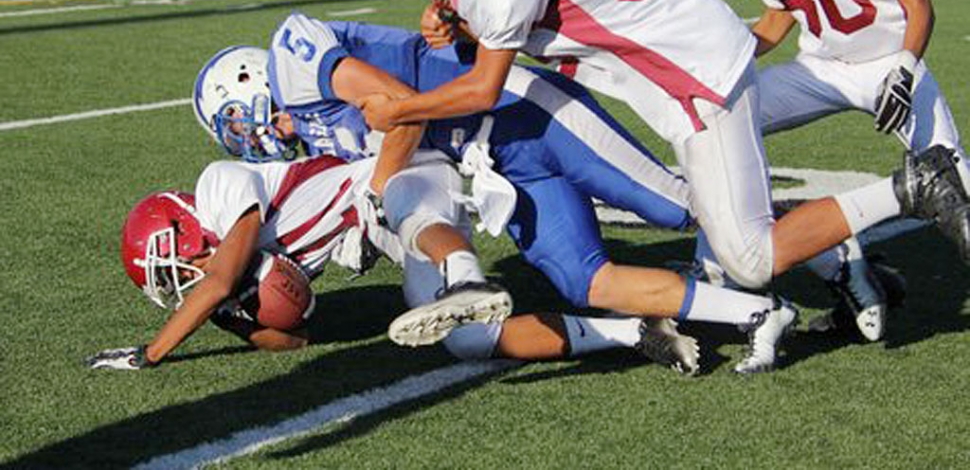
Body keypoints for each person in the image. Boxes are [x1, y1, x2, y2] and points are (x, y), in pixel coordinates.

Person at [359, 0, 969, 342]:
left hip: (694, 77)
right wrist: (455, 9)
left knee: (751, 258)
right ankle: (851, 265)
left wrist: (401, 112)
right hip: (697, 49)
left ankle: (910, 188)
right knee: (718, 212)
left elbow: (482, 89)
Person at [194, 18, 817, 375]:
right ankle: (757, 312)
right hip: (498, 163)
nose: (245, 138)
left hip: (531, 114)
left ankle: (838, 254)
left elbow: (404, 116)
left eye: (234, 121)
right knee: (584, 280)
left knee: (680, 206)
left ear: (246, 85)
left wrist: (379, 191)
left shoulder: (297, 62)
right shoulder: (313, 132)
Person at [86, 151, 701, 373]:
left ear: (183, 220)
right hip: (383, 231)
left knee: (431, 248)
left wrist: (151, 353)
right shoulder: (232, 274)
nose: (189, 277)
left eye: (179, 262)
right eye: (176, 280)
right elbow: (293, 341)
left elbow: (217, 274)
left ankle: (468, 276)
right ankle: (634, 329)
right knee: (466, 345)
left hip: (397, 185)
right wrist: (237, 321)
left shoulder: (219, 185)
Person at [736, 0, 970, 276]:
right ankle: (829, 268)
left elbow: (918, 7)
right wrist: (721, 62)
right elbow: (777, 18)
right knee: (722, 121)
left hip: (889, 61)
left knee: (955, 181)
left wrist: (903, 70)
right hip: (819, 69)